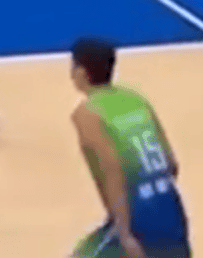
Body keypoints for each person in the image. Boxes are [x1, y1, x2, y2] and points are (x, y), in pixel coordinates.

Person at [69, 38, 191, 258]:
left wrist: (125, 233)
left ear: (81, 72)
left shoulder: (87, 114)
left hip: (139, 221)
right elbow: (171, 163)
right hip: (173, 212)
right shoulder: (136, 99)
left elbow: (112, 171)